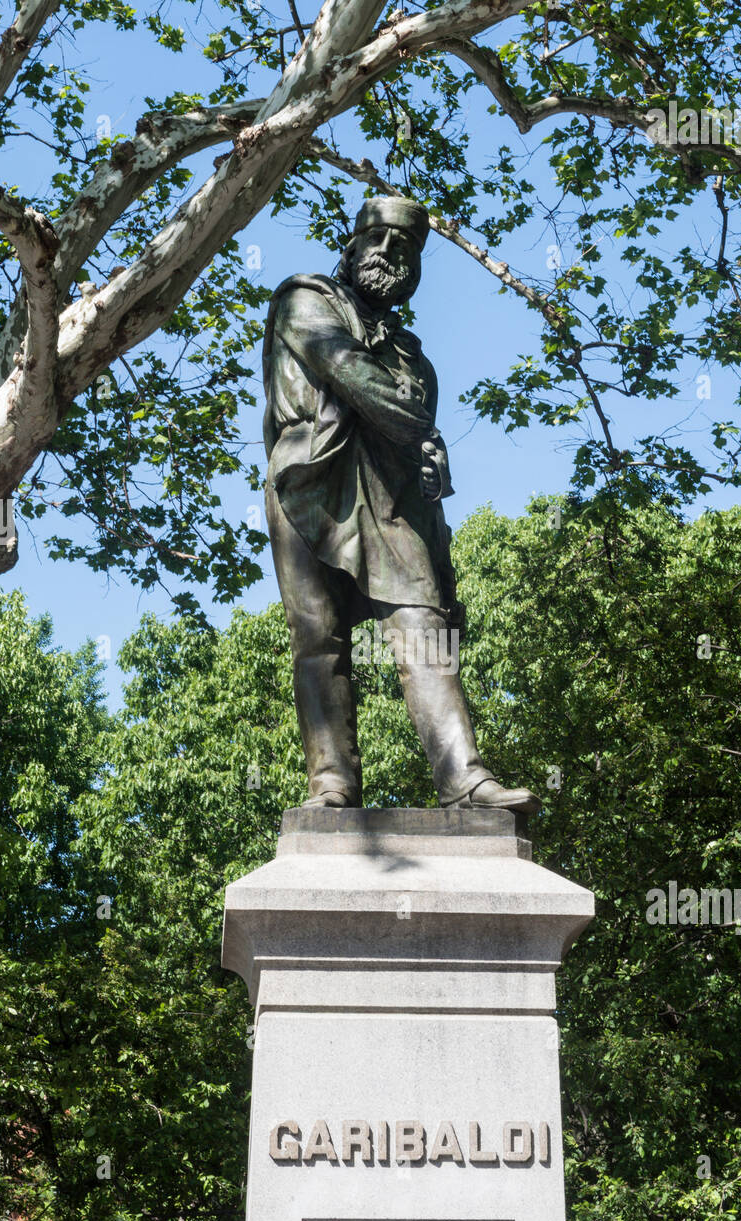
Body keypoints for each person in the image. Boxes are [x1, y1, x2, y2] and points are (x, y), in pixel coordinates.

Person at [262, 195, 540, 814]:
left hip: (392, 504)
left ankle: (466, 781)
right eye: (379, 240)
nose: (390, 254)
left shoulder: (417, 358)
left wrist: (433, 478)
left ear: (415, 273)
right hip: (310, 490)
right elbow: (351, 374)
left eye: (406, 249)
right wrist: (424, 434)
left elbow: (412, 439)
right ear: (352, 247)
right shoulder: (304, 299)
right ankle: (331, 787)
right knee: (320, 642)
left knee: (424, 628)